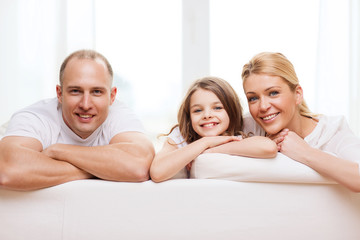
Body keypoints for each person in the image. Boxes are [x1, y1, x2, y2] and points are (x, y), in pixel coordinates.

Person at [0, 49, 155, 190]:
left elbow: (139, 167)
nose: (86, 104)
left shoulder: (120, 115)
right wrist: (105, 169)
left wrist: (58, 151)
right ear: (59, 94)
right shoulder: (35, 117)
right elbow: (7, 171)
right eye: (75, 91)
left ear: (112, 96)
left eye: (96, 92)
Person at [241, 52, 360, 192]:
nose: (263, 106)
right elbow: (210, 145)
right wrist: (263, 145)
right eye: (253, 98)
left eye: (273, 93)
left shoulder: (331, 131)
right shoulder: (249, 125)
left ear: (297, 94)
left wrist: (304, 152)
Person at [150, 76, 277, 182]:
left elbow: (268, 147)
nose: (207, 115)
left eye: (217, 108)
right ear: (189, 116)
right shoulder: (181, 135)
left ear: (231, 110)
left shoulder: (241, 130)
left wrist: (212, 150)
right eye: (197, 110)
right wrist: (205, 142)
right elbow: (157, 172)